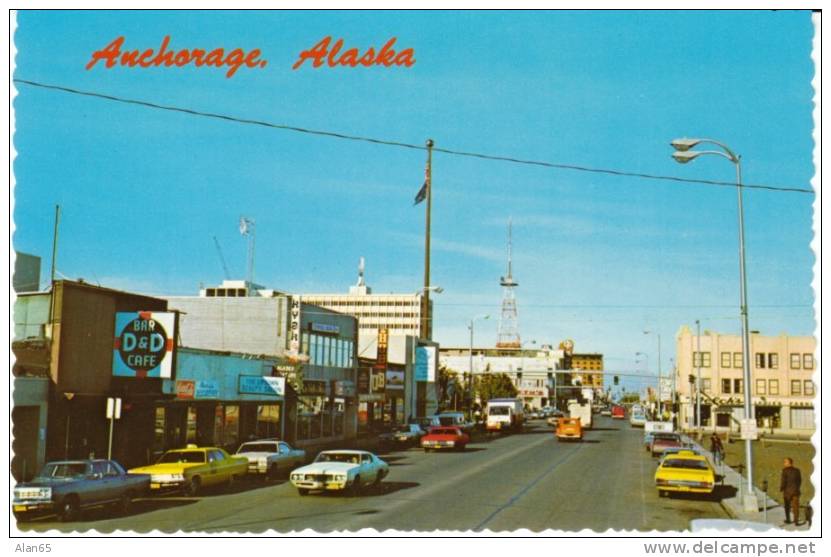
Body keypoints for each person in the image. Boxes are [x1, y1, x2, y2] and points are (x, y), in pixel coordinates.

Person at [780, 457, 802, 525]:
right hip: (796, 491)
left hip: (787, 492)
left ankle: (788, 520)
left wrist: (781, 488)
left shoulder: (784, 470)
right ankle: (796, 521)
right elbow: (800, 480)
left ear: (789, 463)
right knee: (796, 507)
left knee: (787, 506)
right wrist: (797, 488)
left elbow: (783, 481)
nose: (784, 463)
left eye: (785, 462)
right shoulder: (797, 470)